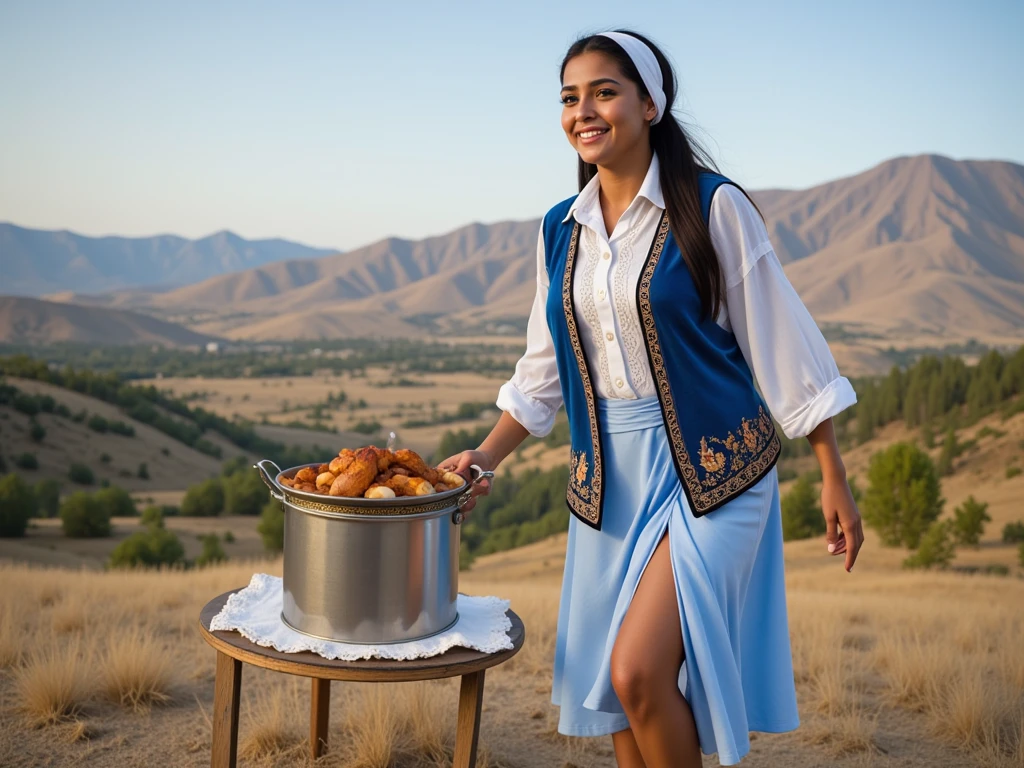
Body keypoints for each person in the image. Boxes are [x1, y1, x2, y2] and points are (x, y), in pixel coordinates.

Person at [440, 29, 864, 768]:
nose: (584, 110)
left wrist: (832, 470)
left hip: (715, 472)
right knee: (621, 697)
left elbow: (785, 343)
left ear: (650, 103)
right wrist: (483, 456)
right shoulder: (558, 231)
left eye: (604, 91)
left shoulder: (712, 207)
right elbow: (544, 374)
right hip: (612, 479)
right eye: (570, 97)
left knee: (638, 669)